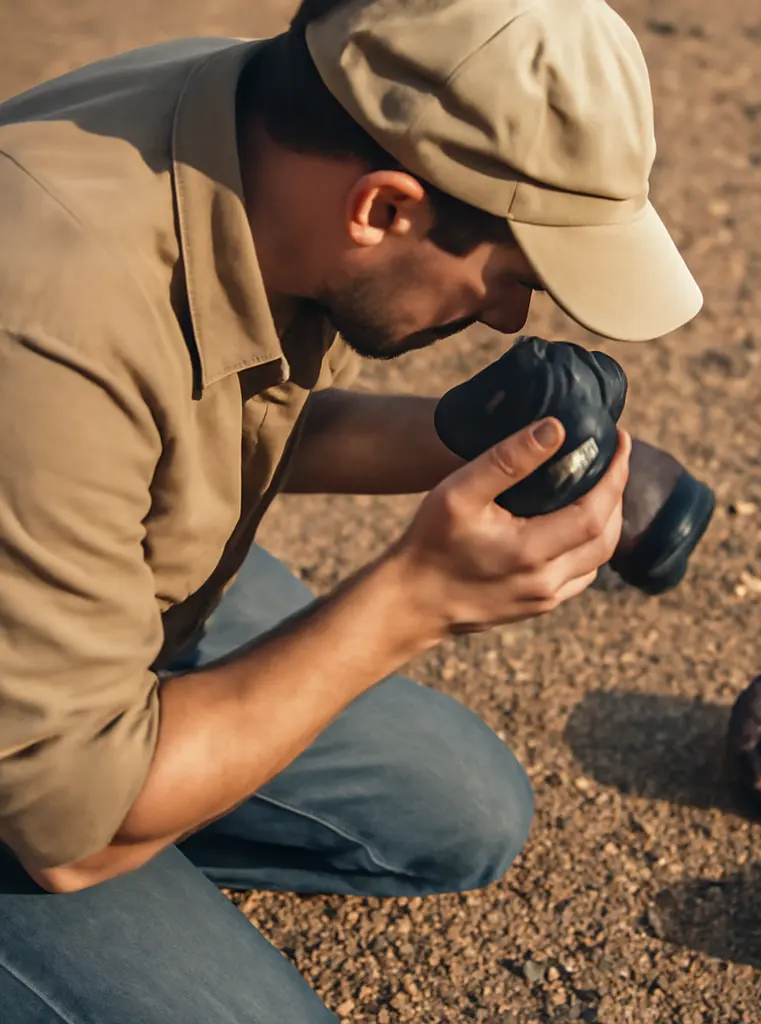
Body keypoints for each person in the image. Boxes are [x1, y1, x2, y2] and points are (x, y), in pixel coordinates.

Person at [0, 0, 703, 1019]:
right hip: (49, 745)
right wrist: (414, 598)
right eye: (507, 275)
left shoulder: (264, 127)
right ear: (381, 208)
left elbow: (202, 420)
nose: (510, 316)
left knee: (465, 814)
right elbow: (74, 832)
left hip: (85, 584)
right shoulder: (47, 325)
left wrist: (468, 436)